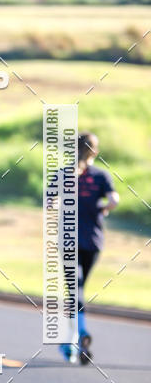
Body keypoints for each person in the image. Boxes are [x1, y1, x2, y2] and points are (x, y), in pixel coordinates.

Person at [60, 132, 119, 365]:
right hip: (93, 243)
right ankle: (72, 338)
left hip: (69, 241)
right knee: (78, 288)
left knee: (75, 289)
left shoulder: (64, 174)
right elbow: (114, 200)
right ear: (95, 151)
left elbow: (50, 202)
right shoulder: (101, 176)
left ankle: (76, 336)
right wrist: (103, 209)